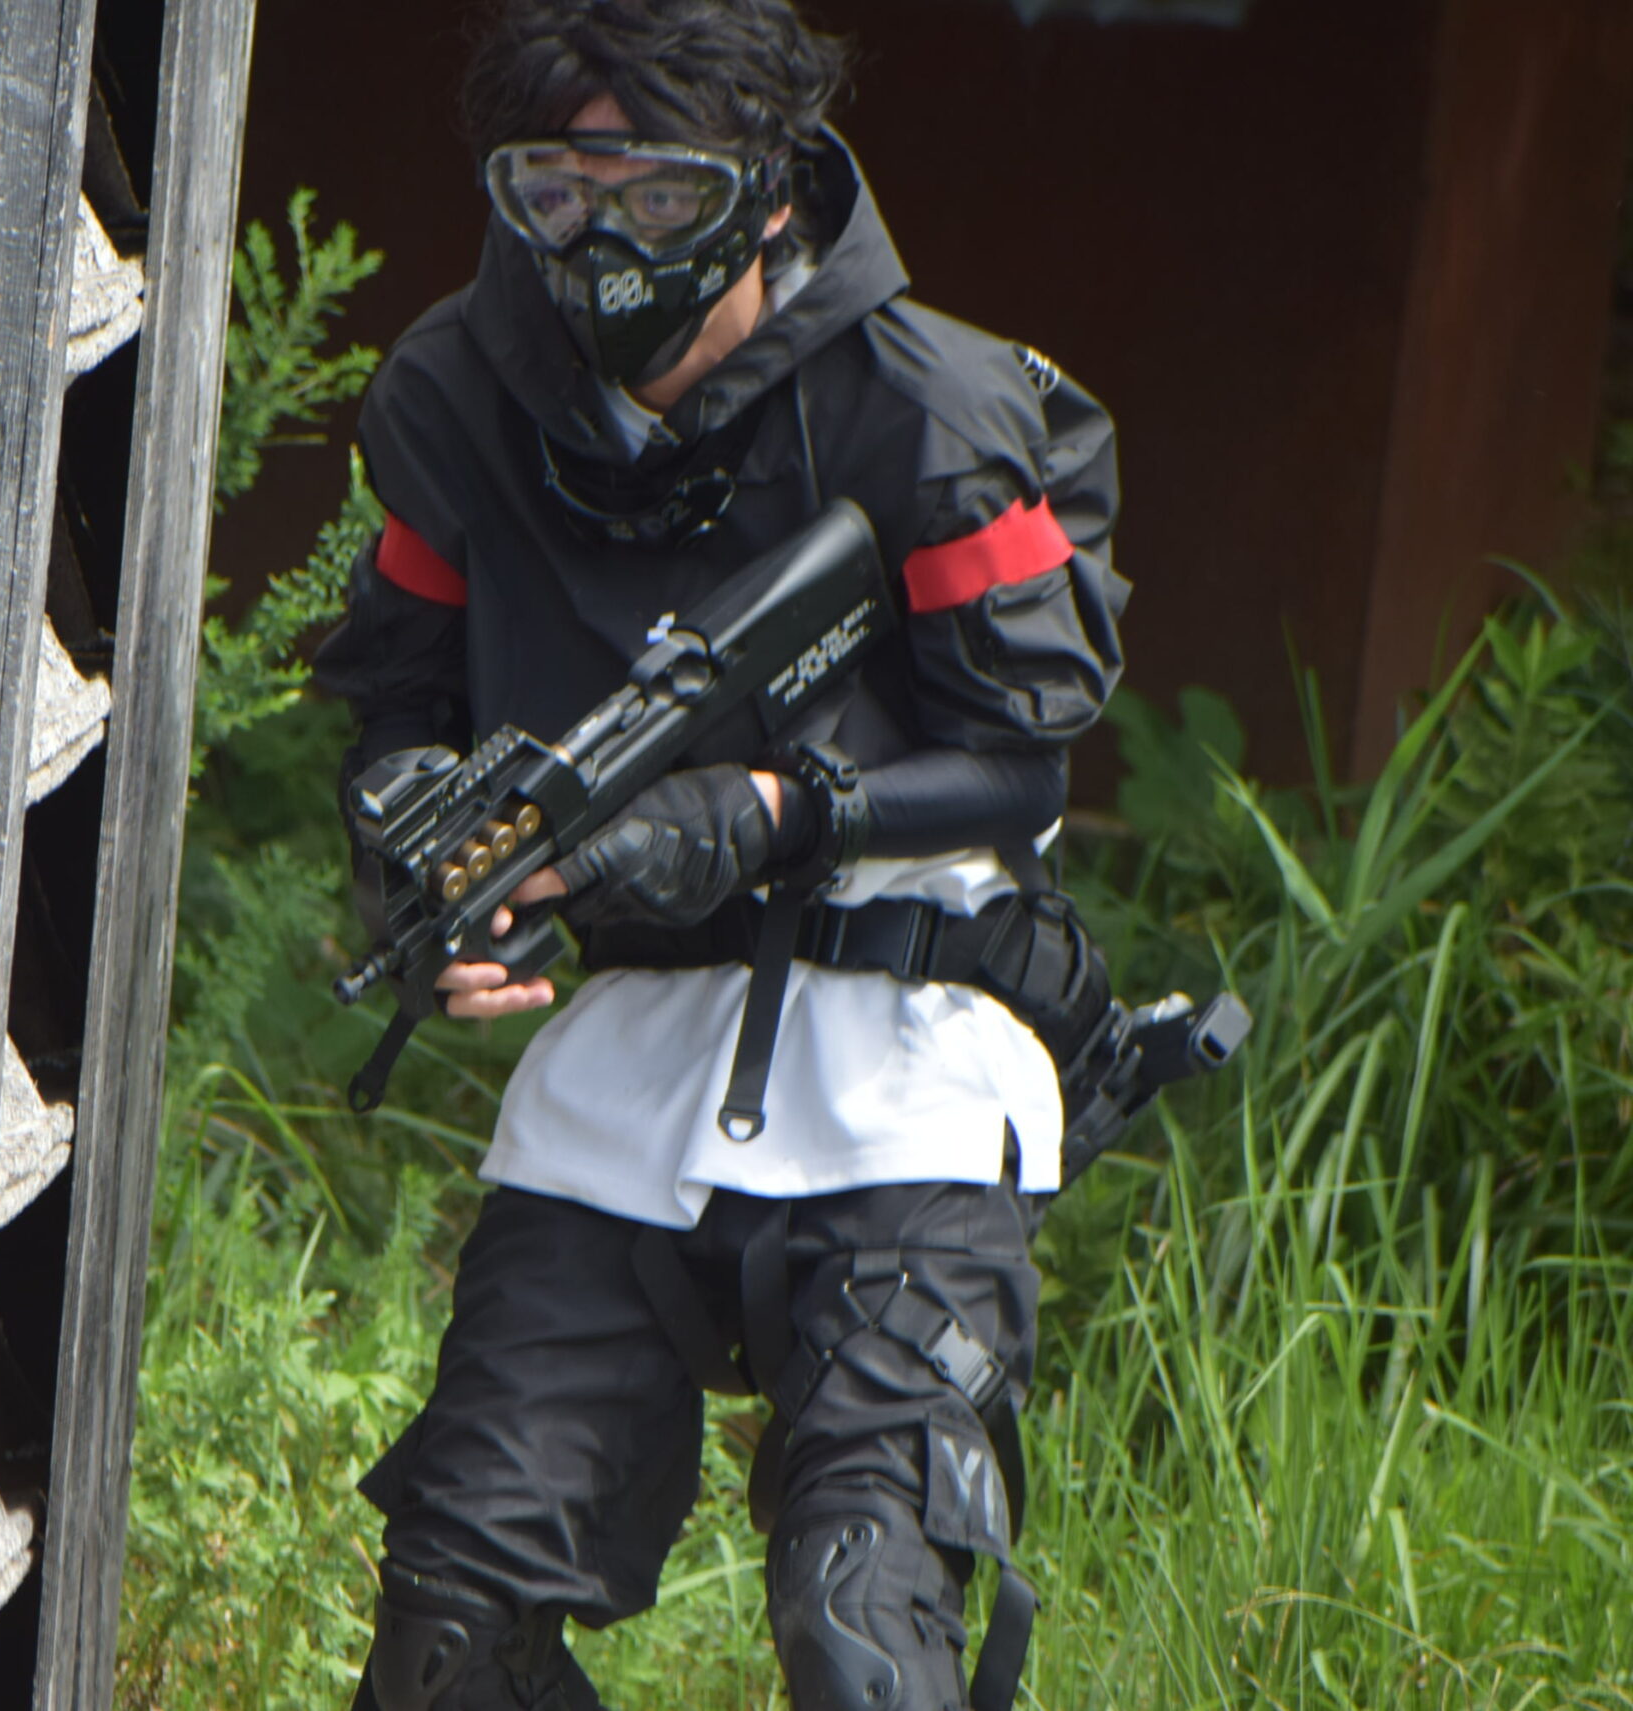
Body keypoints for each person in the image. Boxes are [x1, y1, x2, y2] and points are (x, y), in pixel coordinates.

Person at [309, 3, 1130, 1708]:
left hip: (906, 1063)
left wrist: (769, 813)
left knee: (865, 1623)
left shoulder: (929, 406)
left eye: (656, 197)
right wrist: (426, 861)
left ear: (762, 190)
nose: (598, 241)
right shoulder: (458, 400)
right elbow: (396, 701)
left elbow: (1021, 763)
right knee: (453, 1631)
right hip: (623, 1080)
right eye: (552, 191)